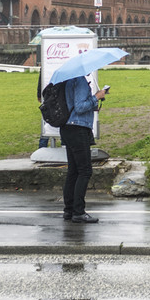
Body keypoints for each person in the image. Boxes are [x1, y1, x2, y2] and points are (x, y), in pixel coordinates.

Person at [60, 74, 107, 224]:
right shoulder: (79, 80)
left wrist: (94, 104)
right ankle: (78, 212)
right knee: (85, 170)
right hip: (78, 128)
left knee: (73, 171)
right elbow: (79, 107)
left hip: (67, 127)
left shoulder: (68, 80)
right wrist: (96, 97)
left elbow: (73, 104)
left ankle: (69, 210)